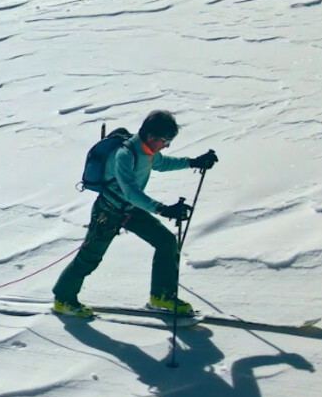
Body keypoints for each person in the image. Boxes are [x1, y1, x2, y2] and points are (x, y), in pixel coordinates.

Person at [52, 109, 218, 318]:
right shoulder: (125, 155)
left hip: (129, 210)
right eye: (165, 141)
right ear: (151, 136)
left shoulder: (146, 150)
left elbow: (162, 163)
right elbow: (131, 192)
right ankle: (63, 298)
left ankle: (161, 296)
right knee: (89, 258)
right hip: (108, 212)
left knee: (166, 242)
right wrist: (163, 209)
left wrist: (193, 162)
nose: (166, 146)